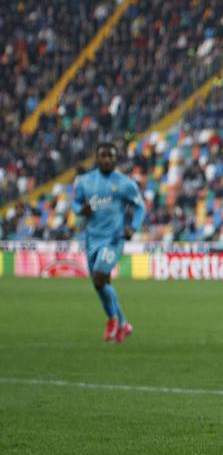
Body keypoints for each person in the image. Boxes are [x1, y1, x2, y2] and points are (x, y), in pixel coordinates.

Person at [72, 143, 145, 343]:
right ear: (96, 158)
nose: (106, 160)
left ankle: (112, 320)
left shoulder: (125, 183)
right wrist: (81, 209)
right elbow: (76, 203)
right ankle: (123, 323)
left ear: (115, 159)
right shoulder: (85, 182)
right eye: (103, 156)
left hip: (114, 239)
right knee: (100, 285)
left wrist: (133, 227)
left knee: (99, 278)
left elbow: (140, 207)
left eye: (110, 156)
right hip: (92, 239)